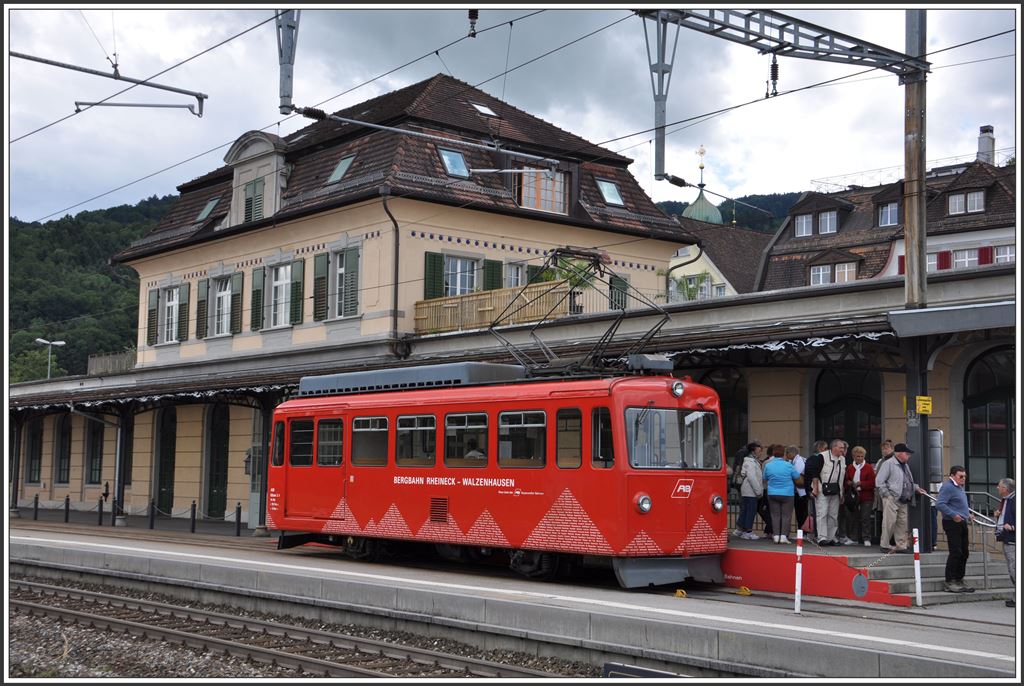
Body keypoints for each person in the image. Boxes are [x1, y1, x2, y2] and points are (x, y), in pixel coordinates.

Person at [874, 442, 927, 554]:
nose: (909, 456)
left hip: (904, 498)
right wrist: (887, 495)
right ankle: (884, 544)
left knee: (902, 523)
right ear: (900, 454)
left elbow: (907, 480)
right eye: (907, 454)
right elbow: (879, 481)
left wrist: (916, 488)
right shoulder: (888, 464)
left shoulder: (905, 465)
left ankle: (901, 545)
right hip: (892, 498)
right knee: (889, 522)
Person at [935, 465, 974, 593]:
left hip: (962, 521)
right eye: (960, 476)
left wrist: (967, 513)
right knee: (956, 551)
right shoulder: (948, 487)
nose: (963, 479)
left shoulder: (959, 487)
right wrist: (954, 515)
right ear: (952, 476)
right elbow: (940, 504)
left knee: (964, 552)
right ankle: (950, 580)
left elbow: (959, 504)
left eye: (964, 476)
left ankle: (959, 579)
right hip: (952, 522)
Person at [811, 439, 847, 546]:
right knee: (822, 513)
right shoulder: (822, 457)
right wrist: (815, 488)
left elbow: (842, 478)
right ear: (834, 447)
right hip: (823, 489)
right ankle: (822, 537)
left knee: (833, 515)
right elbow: (815, 473)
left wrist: (842, 493)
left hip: (836, 490)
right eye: (841, 448)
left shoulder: (843, 459)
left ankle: (831, 537)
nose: (843, 450)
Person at [763, 445, 802, 544]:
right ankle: (783, 536)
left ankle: (776, 536)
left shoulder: (768, 465)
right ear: (783, 454)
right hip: (787, 493)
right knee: (786, 515)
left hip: (772, 493)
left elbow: (764, 478)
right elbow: (797, 476)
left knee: (775, 515)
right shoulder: (788, 465)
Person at [844, 446, 876, 546]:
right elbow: (846, 480)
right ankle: (853, 538)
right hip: (853, 496)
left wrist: (861, 483)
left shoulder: (868, 467)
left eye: (862, 456)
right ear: (854, 456)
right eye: (858, 456)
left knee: (865, 517)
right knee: (852, 517)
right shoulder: (850, 467)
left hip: (866, 496)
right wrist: (849, 483)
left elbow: (873, 483)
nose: (860, 458)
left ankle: (866, 538)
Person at [733, 446, 764, 541]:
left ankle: (740, 530)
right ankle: (748, 532)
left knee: (745, 510)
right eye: (759, 451)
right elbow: (752, 478)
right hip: (751, 491)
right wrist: (758, 490)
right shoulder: (750, 462)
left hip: (747, 490)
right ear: (753, 452)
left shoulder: (748, 461)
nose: (760, 453)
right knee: (750, 511)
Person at [995, 478, 1016, 607]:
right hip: (1007, 538)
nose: (997, 488)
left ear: (1005, 489)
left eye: (999, 486)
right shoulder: (1006, 500)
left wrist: (1013, 527)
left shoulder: (1014, 500)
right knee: (1012, 568)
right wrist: (998, 514)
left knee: (1014, 568)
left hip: (1013, 539)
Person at [802, 440, 829, 540]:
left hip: (812, 488)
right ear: (820, 449)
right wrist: (810, 489)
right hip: (814, 489)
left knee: (817, 512)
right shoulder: (816, 459)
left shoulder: (811, 459)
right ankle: (817, 534)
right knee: (818, 512)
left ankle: (817, 534)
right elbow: (811, 476)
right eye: (826, 449)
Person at [873, 439, 896, 545]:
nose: (884, 451)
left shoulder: (894, 461)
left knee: (890, 518)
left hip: (889, 492)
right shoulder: (880, 461)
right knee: (881, 515)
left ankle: (891, 540)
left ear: (892, 449)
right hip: (880, 493)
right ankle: (882, 538)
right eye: (882, 449)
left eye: (886, 448)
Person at [789, 445, 808, 533]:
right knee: (799, 512)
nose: (786, 455)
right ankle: (801, 531)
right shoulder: (795, 460)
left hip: (801, 491)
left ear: (793, 453)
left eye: (787, 453)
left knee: (801, 513)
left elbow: (796, 474)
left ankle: (803, 532)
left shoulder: (799, 461)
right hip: (798, 491)